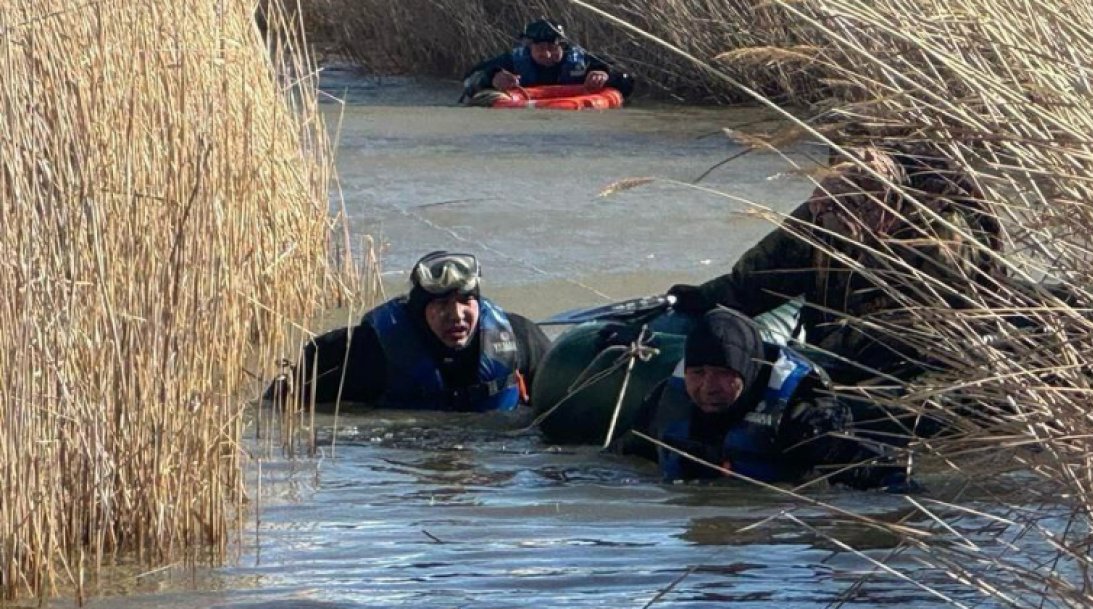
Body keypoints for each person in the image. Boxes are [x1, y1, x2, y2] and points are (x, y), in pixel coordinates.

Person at [666, 144, 1008, 381]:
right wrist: (702, 300)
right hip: (831, 352)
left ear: (882, 206)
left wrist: (805, 364)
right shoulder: (823, 211)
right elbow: (762, 279)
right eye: (831, 207)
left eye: (851, 211)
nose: (837, 221)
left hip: (922, 366)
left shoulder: (938, 240)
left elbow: (902, 333)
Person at [610, 308, 916, 490]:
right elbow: (627, 456)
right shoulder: (668, 402)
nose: (708, 386)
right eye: (698, 372)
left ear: (745, 369)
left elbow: (876, 472)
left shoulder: (800, 414)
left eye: (721, 372)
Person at [271, 251, 550, 412]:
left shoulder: (520, 337)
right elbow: (278, 406)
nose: (456, 314)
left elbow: (561, 401)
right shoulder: (364, 350)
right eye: (441, 303)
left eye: (466, 300)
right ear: (419, 310)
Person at [460, 18, 635, 104]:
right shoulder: (512, 61)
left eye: (553, 47)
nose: (548, 54)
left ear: (563, 46)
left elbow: (627, 78)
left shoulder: (582, 60)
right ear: (530, 47)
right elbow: (468, 80)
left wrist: (604, 74)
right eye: (541, 48)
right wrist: (490, 78)